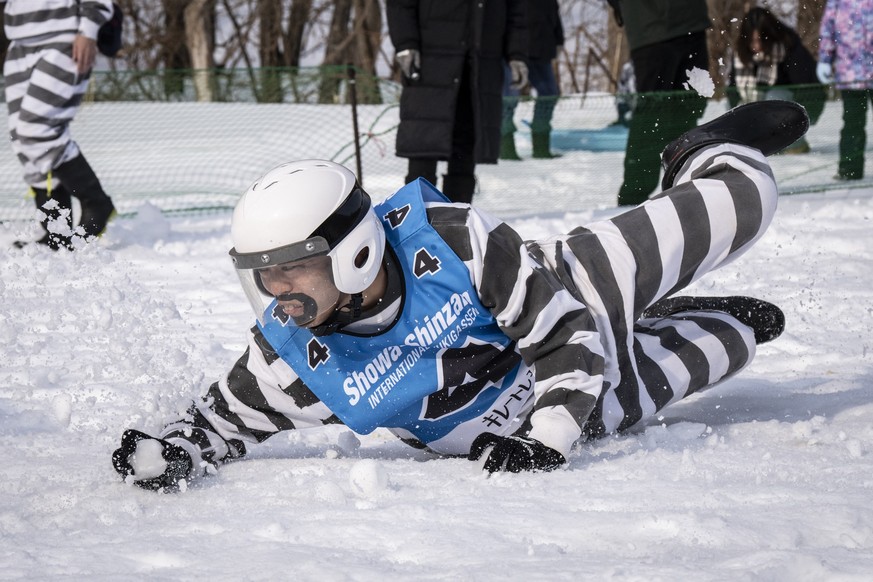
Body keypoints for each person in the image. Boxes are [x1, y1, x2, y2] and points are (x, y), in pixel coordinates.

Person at [111, 100, 809, 491]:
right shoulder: (296, 350)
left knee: (745, 199)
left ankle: (700, 154)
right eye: (262, 273)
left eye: (292, 268)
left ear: (353, 251)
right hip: (588, 404)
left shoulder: (447, 241)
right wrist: (170, 450)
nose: (276, 290)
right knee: (731, 342)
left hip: (573, 298)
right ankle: (677, 324)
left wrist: (547, 438)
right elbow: (220, 421)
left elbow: (565, 333)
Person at [386, 0, 528, 203]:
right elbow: (400, 4)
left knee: (467, 147)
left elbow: (517, 12)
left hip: (480, 67)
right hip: (430, 64)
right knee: (423, 146)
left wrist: (517, 54)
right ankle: (415, 222)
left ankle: (458, 222)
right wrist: (405, 43)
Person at [4, 0, 117, 251]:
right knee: (23, 140)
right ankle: (56, 230)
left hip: (65, 38)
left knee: (36, 130)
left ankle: (96, 202)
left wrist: (88, 31)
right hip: (19, 44)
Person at [607, 0, 710, 206]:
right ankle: (632, 201)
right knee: (651, 114)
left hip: (691, 22)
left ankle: (685, 184)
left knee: (690, 105)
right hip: (650, 28)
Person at [726, 7, 825, 154]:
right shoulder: (742, 55)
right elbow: (734, 91)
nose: (756, 46)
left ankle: (793, 144)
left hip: (793, 108)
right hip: (757, 107)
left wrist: (805, 116)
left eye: (759, 40)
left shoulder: (789, 47)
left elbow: (807, 88)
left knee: (776, 96)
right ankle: (752, 143)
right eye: (752, 41)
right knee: (733, 105)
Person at [499, 0, 565, 161]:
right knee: (509, 97)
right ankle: (506, 148)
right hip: (511, 48)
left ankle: (541, 146)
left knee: (549, 94)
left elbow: (553, 14)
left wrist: (559, 39)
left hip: (541, 48)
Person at [817, 0, 873, 181]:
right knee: (852, 123)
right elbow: (828, 30)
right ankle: (850, 169)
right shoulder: (837, 2)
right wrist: (825, 58)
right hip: (850, 74)